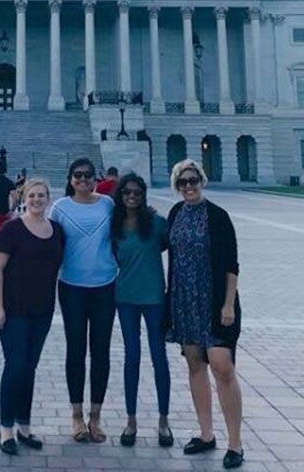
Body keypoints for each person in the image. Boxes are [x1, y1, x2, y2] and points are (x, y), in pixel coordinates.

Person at [167, 159, 244, 470]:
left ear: (202, 180)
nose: (189, 186)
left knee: (223, 367)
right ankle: (206, 434)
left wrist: (228, 304)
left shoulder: (219, 216)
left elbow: (231, 264)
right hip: (184, 302)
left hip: (215, 303)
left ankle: (235, 443)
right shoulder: (175, 214)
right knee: (195, 366)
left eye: (193, 180)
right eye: (183, 182)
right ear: (177, 185)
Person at [0, 179, 65, 456]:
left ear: (49, 198)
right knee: (16, 366)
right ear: (24, 198)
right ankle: (6, 428)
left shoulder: (56, 230)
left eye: (41, 195)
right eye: (32, 195)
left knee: (29, 368)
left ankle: (24, 426)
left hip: (42, 310)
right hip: (13, 310)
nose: (36, 199)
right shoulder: (11, 229)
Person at [49, 157, 117, 443]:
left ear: (95, 178)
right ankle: (76, 415)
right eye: (77, 176)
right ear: (70, 178)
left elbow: (124, 232)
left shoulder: (108, 204)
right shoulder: (60, 207)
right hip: (72, 286)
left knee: (101, 350)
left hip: (105, 285)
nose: (83, 180)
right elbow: (47, 242)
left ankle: (96, 416)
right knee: (75, 349)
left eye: (88, 176)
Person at [111, 172, 172, 448]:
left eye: (136, 192)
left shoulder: (158, 223)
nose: (132, 196)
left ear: (143, 195)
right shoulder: (115, 225)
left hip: (154, 298)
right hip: (125, 297)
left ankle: (163, 420)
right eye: (127, 192)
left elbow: (173, 251)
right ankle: (131, 419)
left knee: (159, 356)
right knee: (132, 356)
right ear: (120, 196)